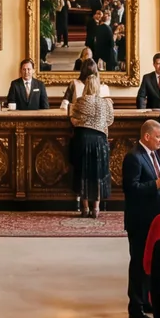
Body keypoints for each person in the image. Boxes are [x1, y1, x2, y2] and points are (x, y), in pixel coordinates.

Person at [121, 120, 160, 318]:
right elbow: (131, 189)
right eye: (158, 136)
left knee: (151, 260)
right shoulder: (133, 157)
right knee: (139, 262)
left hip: (153, 217)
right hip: (140, 220)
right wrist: (156, 184)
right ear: (147, 136)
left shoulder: (153, 153)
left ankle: (146, 300)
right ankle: (136, 307)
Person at [68, 72, 114, 217]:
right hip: (100, 140)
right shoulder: (105, 103)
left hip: (83, 139)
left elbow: (72, 117)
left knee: (83, 173)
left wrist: (82, 122)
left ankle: (85, 207)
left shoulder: (81, 101)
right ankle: (96, 208)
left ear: (86, 86)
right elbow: (110, 120)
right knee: (98, 173)